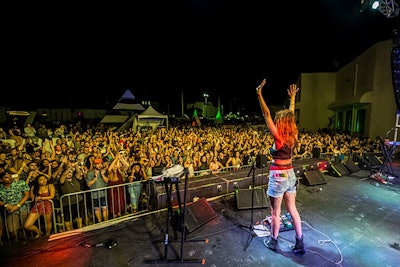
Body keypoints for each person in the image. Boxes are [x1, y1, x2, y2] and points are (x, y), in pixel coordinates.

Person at [256, 78, 305, 254]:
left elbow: (266, 115)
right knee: (293, 209)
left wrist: (259, 94)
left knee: (275, 212)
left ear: (281, 123)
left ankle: (274, 241)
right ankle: (300, 243)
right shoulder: (293, 134)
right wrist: (292, 99)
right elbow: (290, 115)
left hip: (278, 177)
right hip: (290, 174)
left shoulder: (279, 137)